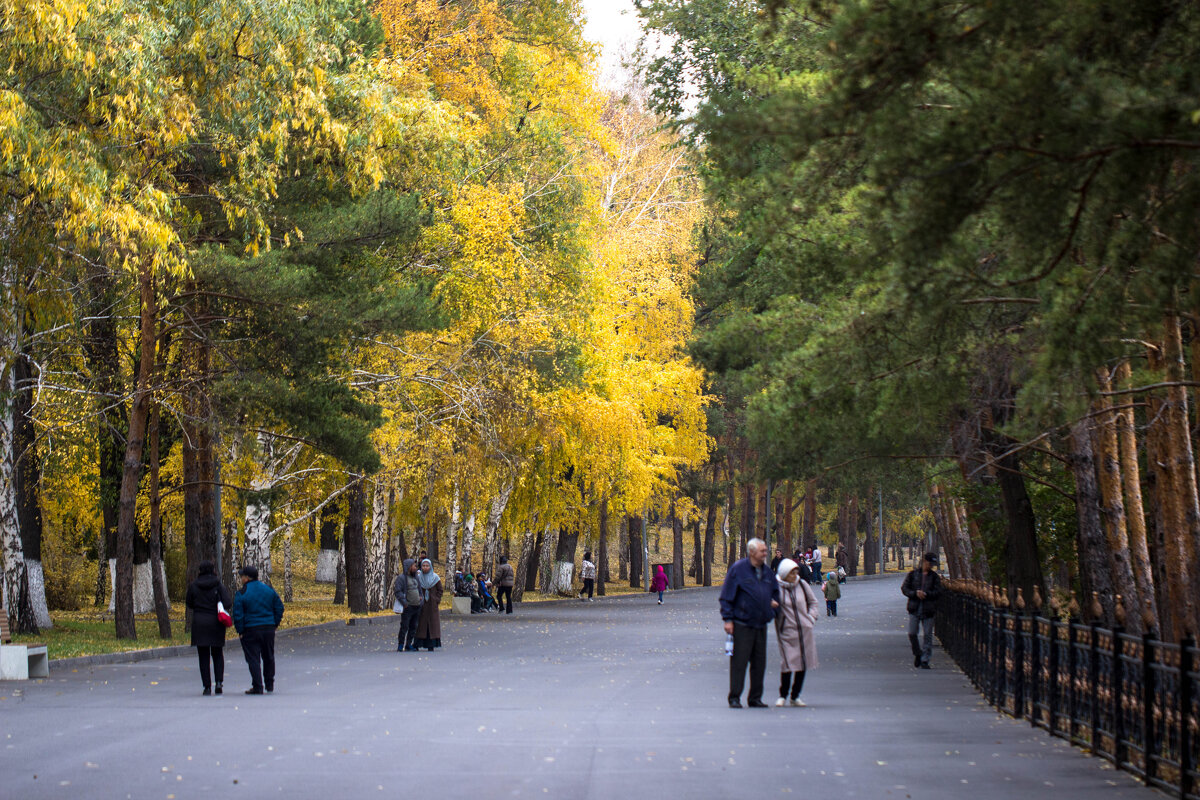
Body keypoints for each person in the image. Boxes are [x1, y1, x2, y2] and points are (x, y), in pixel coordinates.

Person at [719, 537, 780, 708]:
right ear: (752, 552)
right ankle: (735, 697)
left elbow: (776, 594)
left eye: (766, 550)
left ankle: (755, 698)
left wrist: (772, 610)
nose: (766, 553)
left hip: (761, 624)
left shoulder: (767, 572)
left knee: (759, 663)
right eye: (763, 551)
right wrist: (728, 619)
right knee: (739, 661)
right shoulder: (739, 570)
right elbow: (727, 595)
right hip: (742, 623)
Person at [773, 558, 819, 706]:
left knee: (802, 662)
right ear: (784, 573)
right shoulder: (776, 588)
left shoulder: (802, 585)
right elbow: (770, 605)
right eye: (791, 573)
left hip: (805, 630)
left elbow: (813, 603)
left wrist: (811, 618)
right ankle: (782, 695)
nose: (795, 575)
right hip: (787, 630)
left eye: (796, 572)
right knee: (788, 662)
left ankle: (795, 696)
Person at [232, 565, 284, 695]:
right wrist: (274, 623)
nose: (241, 578)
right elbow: (279, 607)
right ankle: (269, 684)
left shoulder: (242, 593)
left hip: (250, 630)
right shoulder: (268, 590)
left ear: (247, 578)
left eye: (242, 576)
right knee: (268, 656)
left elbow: (238, 614)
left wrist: (240, 630)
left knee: (253, 658)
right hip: (268, 628)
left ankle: (258, 686)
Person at [185, 560, 233, 696]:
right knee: (217, 654)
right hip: (216, 622)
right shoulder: (218, 585)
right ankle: (218, 682)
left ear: (200, 570)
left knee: (203, 656)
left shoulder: (194, 585)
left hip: (199, 622)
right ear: (213, 570)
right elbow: (228, 602)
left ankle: (206, 686)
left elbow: (189, 603)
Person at [901, 552, 943, 669]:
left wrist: (927, 594)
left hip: (928, 608)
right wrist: (915, 593)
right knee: (912, 633)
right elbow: (905, 588)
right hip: (915, 607)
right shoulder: (913, 575)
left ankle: (925, 660)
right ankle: (917, 653)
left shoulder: (934, 577)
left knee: (928, 635)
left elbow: (938, 591)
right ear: (924, 561)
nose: (931, 566)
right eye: (930, 563)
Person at [413, 558, 443, 651]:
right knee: (420, 625)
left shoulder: (435, 578)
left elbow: (440, 590)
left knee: (432, 625)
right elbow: (414, 588)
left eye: (427, 566)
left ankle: (431, 644)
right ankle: (417, 644)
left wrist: (436, 599)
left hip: (432, 605)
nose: (425, 568)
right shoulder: (418, 578)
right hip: (421, 605)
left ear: (430, 567)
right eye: (423, 566)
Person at [393, 558, 422, 651]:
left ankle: (408, 644)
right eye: (414, 566)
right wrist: (404, 603)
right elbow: (397, 591)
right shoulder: (402, 578)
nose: (416, 567)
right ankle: (400, 644)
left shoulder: (416, 577)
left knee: (414, 626)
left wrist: (421, 598)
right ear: (409, 567)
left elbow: (419, 589)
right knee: (404, 626)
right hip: (408, 607)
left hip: (417, 606)